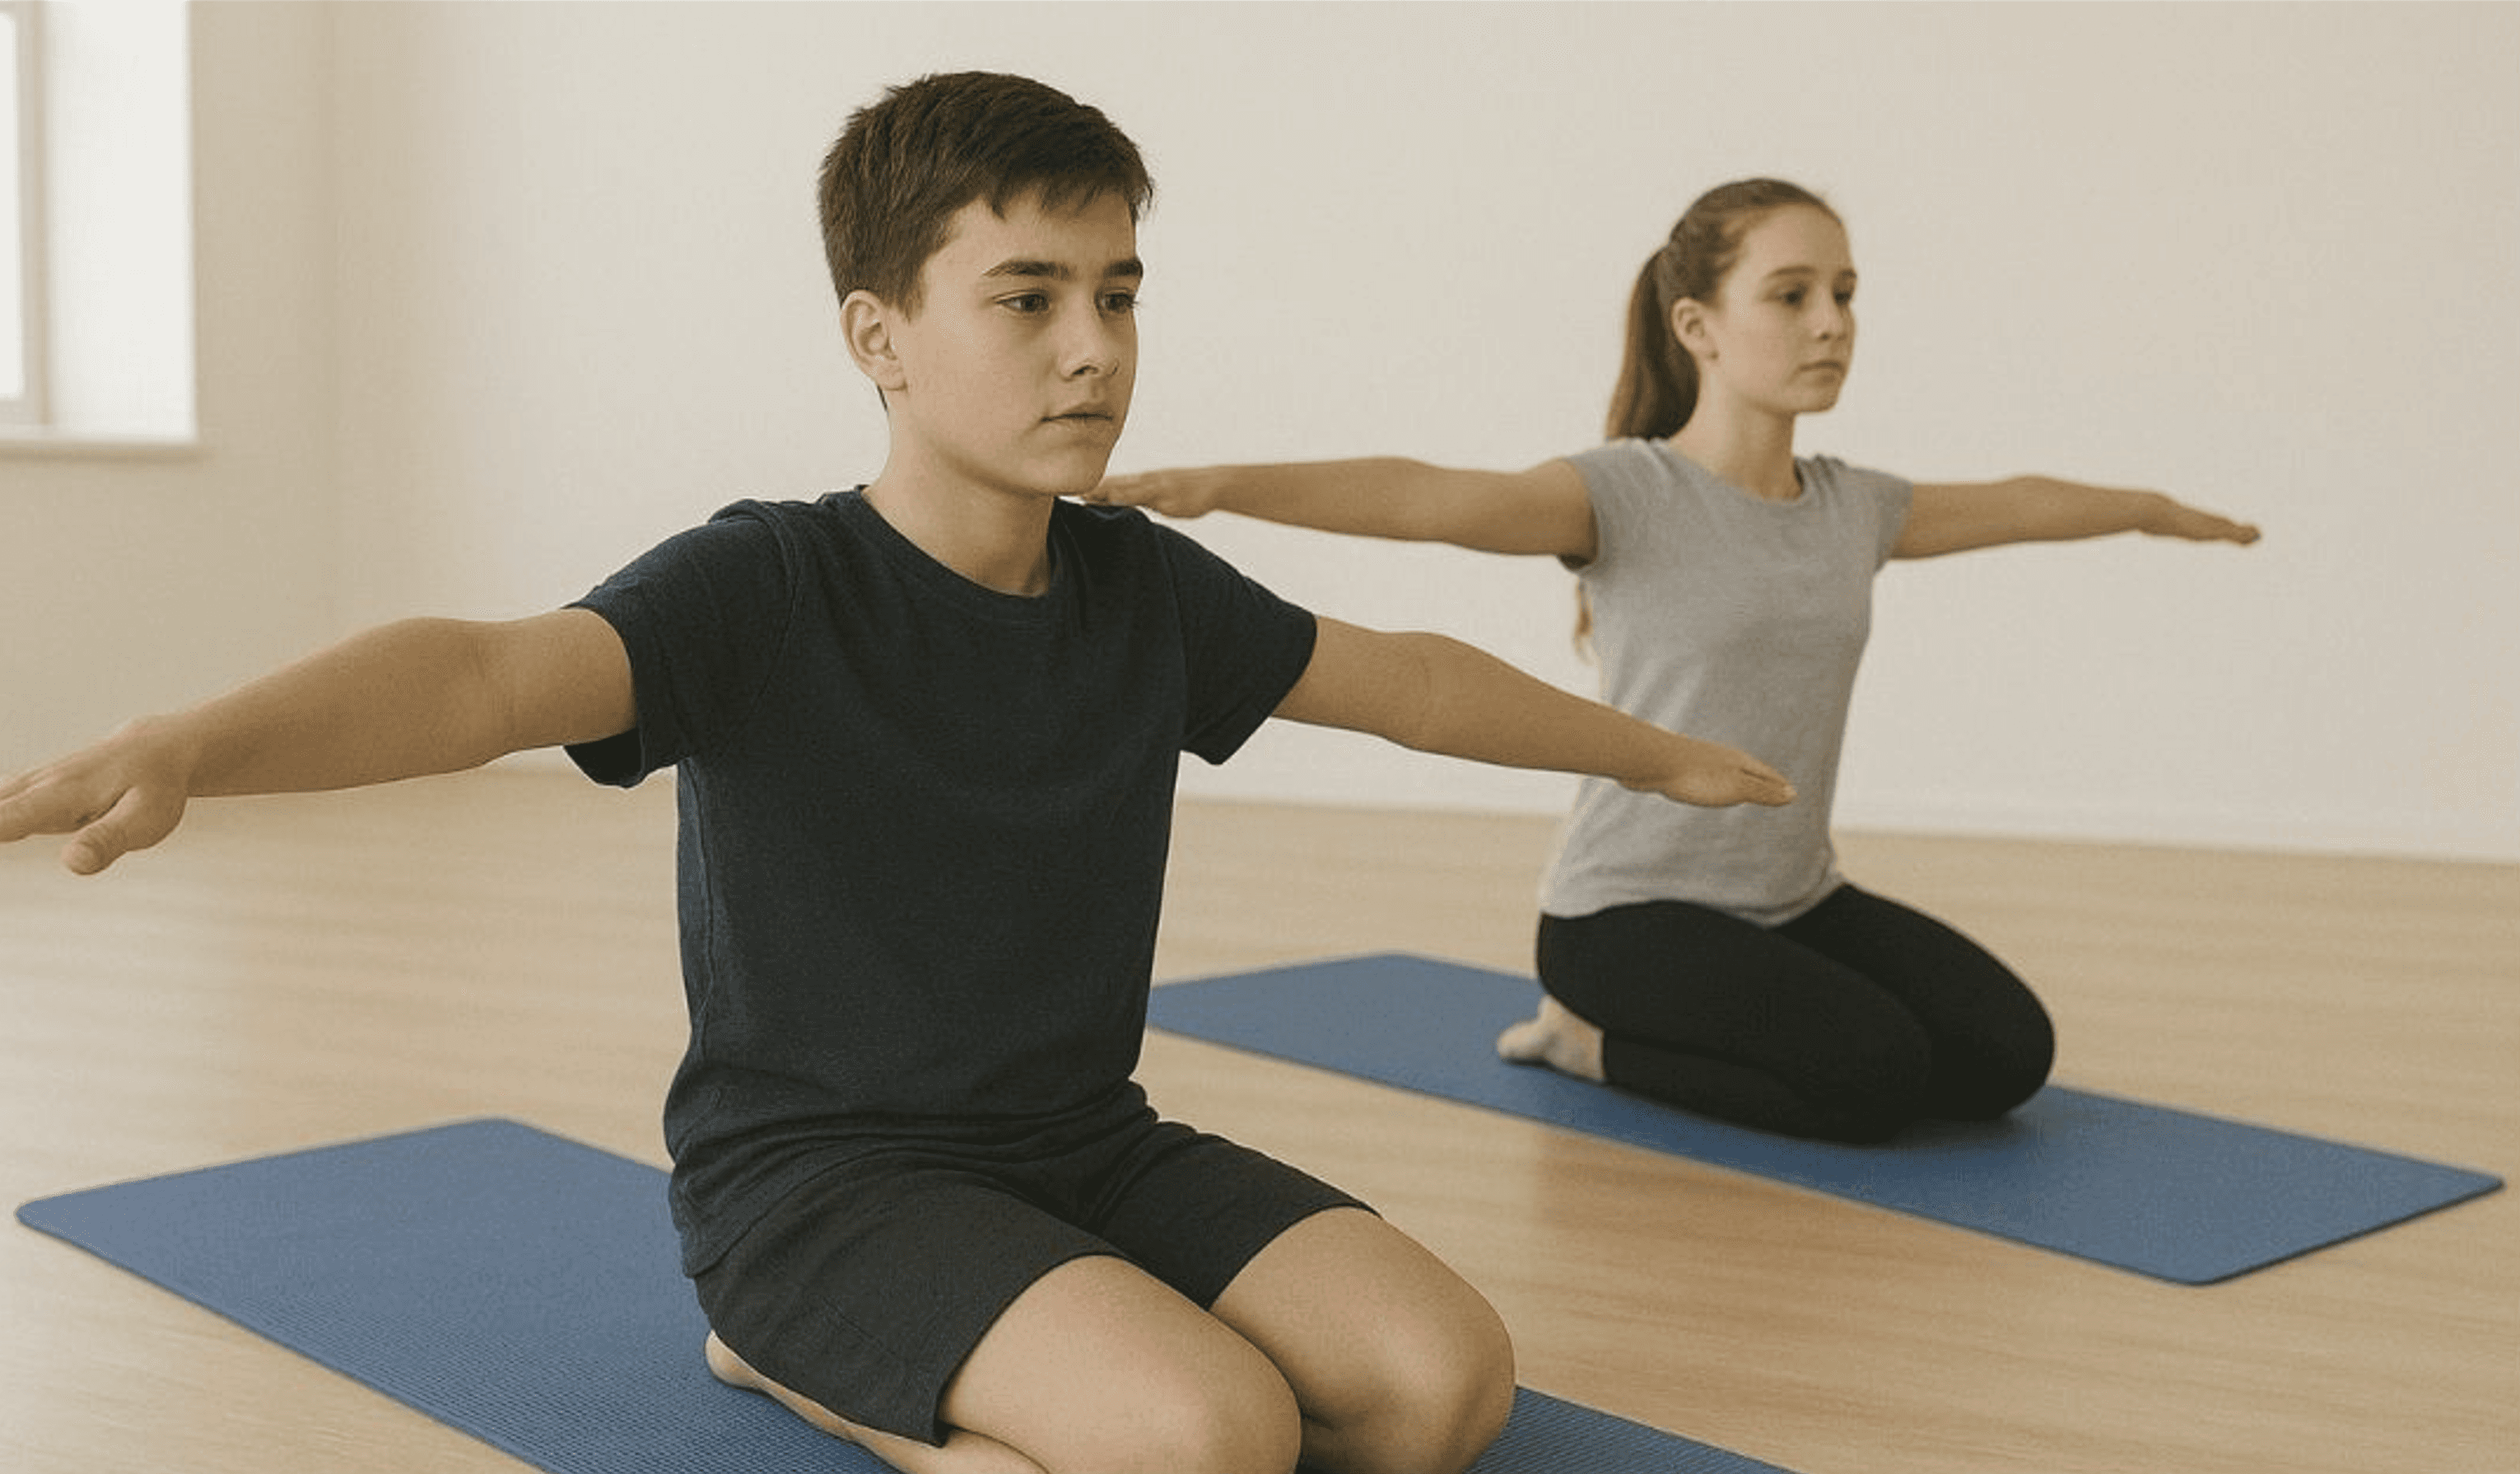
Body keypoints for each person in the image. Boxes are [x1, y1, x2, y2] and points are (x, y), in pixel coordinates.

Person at [0, 77, 1805, 1474]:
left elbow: (1401, 681)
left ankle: (1055, 1375)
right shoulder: (768, 585)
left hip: (1085, 1144)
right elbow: (479, 675)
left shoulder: (1139, 589)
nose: (1094, 347)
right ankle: (812, 1366)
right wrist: (193, 745)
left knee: (1440, 1389)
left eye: (1117, 292)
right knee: (1210, 1432)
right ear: (880, 336)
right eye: (1026, 297)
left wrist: (1661, 755)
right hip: (821, 1190)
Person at [1093, 177, 2261, 1148]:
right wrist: (1220, 486)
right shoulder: (1627, 495)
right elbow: (1430, 494)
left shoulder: (1852, 507)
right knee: (1878, 1081)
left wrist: (2154, 506)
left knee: (2010, 1054)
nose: (1832, 323)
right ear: (1698, 325)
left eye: (1845, 295)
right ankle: (1584, 1037)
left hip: (1794, 897)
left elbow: (2018, 502)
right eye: (1792, 294)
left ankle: (1714, 1019)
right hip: (1627, 914)